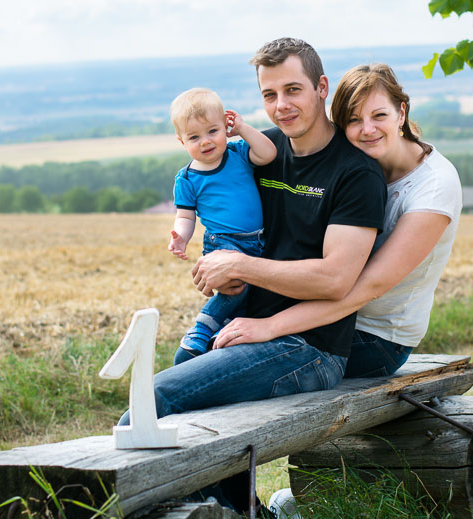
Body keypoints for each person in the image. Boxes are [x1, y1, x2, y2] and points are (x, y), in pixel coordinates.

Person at [119, 38, 387, 514]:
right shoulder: (256, 154)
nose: (280, 106)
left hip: (310, 346)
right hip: (242, 326)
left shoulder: (354, 174)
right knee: (170, 406)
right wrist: (213, 261)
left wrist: (241, 266)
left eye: (293, 90)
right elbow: (217, 210)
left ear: (321, 88)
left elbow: (334, 280)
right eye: (268, 95)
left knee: (153, 403)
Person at [215, 63, 463, 379]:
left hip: (374, 337)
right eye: (354, 120)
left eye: (379, 116)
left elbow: (366, 287)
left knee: (224, 365)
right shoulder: (354, 170)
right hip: (318, 314)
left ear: (401, 113)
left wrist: (269, 326)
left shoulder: (434, 187)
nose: (368, 129)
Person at [167, 88, 277, 365]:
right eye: (194, 137)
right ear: (182, 141)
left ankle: (218, 335)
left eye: (212, 131)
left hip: (257, 240)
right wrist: (180, 237)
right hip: (222, 242)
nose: (205, 141)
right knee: (236, 286)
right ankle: (201, 330)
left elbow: (269, 153)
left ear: (225, 128)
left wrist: (242, 128)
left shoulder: (238, 153)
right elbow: (186, 216)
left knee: (253, 290)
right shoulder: (187, 179)